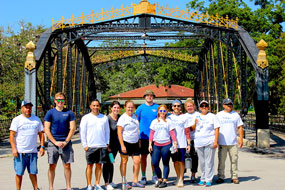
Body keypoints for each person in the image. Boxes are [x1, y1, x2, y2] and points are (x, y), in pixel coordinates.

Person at [9, 100, 45, 190]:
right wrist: (14, 149)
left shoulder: (36, 119)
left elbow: (41, 134)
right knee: (19, 173)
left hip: (32, 152)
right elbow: (11, 135)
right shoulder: (17, 120)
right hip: (20, 152)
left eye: (29, 107)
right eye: (26, 107)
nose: (28, 109)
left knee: (33, 172)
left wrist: (42, 146)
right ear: (22, 108)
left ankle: (35, 188)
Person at [44, 92, 76, 190]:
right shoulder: (50, 113)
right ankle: (51, 187)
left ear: (64, 101)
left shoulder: (69, 113)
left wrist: (66, 141)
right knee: (52, 165)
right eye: (58, 100)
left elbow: (72, 128)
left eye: (62, 100)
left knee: (67, 165)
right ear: (55, 101)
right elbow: (46, 129)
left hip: (66, 143)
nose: (60, 102)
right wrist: (54, 142)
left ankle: (68, 187)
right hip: (53, 143)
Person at [80, 99, 110, 190]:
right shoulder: (86, 118)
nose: (95, 107)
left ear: (99, 106)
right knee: (90, 165)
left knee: (99, 165)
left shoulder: (104, 117)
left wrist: (107, 143)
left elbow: (107, 131)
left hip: (102, 145)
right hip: (90, 146)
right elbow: (82, 132)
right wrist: (85, 145)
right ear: (90, 106)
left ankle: (97, 184)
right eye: (94, 105)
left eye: (97, 105)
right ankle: (89, 185)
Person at [191, 100, 220, 187]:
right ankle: (202, 178)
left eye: (206, 106)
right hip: (199, 142)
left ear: (208, 107)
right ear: (200, 108)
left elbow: (217, 129)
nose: (204, 107)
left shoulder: (212, 116)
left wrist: (216, 141)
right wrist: (195, 123)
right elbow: (192, 128)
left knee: (209, 161)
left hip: (209, 141)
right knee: (202, 162)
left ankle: (209, 179)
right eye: (202, 106)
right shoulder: (197, 116)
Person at [148, 105, 178, 188]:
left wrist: (175, 143)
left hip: (166, 145)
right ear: (158, 112)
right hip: (156, 145)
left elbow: (172, 133)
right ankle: (159, 179)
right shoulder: (154, 121)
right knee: (155, 163)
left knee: (165, 163)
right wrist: (150, 144)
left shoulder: (168, 121)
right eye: (160, 111)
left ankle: (164, 180)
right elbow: (151, 134)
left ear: (166, 112)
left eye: (164, 111)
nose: (162, 113)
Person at [117, 100, 145, 188]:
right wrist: (122, 145)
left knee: (137, 161)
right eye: (128, 107)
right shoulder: (123, 118)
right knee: (124, 162)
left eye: (132, 107)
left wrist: (139, 141)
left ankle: (135, 181)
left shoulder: (135, 116)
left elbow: (137, 129)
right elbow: (119, 132)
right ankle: (124, 181)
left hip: (135, 142)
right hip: (125, 142)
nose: (130, 109)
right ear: (125, 107)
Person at [216, 98, 244, 184]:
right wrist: (215, 140)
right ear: (223, 105)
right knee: (221, 161)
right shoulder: (219, 115)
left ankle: (234, 176)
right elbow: (216, 128)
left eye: (230, 104)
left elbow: (240, 127)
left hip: (233, 142)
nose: (229, 106)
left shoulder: (235, 115)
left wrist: (241, 139)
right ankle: (221, 176)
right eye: (227, 104)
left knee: (234, 160)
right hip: (222, 142)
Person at [136, 89, 159, 184]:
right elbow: (136, 122)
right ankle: (143, 176)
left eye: (151, 95)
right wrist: (138, 137)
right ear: (145, 97)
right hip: (143, 137)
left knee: (154, 158)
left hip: (155, 138)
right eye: (147, 95)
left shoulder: (157, 107)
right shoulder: (140, 108)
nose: (149, 97)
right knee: (144, 157)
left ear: (153, 97)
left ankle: (154, 175)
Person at [167, 99, 191, 187]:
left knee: (181, 161)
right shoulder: (169, 117)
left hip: (182, 143)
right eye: (175, 106)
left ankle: (181, 178)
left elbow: (187, 131)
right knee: (175, 161)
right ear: (172, 107)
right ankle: (177, 176)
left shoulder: (184, 117)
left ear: (181, 107)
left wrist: (189, 144)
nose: (176, 107)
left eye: (178, 106)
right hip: (172, 144)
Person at [103, 101, 121, 190]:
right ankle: (106, 183)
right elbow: (104, 132)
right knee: (107, 163)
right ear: (111, 108)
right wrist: (107, 145)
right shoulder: (107, 118)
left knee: (111, 162)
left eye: (118, 108)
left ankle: (111, 181)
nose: (116, 109)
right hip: (108, 145)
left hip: (117, 145)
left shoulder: (120, 118)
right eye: (114, 107)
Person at [183, 98, 199, 183]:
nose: (189, 107)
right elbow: (187, 129)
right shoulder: (184, 116)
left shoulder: (198, 115)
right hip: (186, 139)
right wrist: (193, 125)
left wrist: (193, 126)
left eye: (191, 106)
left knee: (195, 157)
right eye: (188, 106)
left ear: (194, 106)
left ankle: (193, 174)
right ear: (185, 107)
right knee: (184, 157)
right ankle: (183, 173)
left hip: (196, 139)